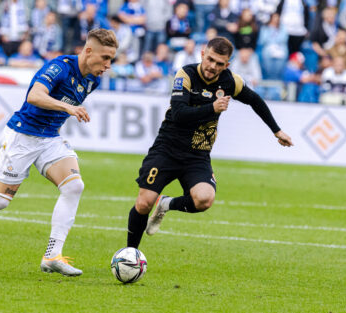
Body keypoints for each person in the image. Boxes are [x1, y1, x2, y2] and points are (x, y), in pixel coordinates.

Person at [0, 29, 118, 277]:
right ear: (88, 51)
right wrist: (68, 108)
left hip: (49, 138)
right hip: (23, 136)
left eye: (111, 59)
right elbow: (35, 96)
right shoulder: (60, 67)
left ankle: (52, 255)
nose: (108, 65)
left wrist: (65, 111)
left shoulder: (93, 79)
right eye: (105, 58)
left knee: (73, 187)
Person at [125, 36, 293, 249]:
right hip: (167, 150)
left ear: (227, 65)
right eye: (210, 59)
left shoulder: (230, 81)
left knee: (204, 199)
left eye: (219, 64)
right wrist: (212, 108)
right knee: (143, 203)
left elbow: (255, 100)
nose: (213, 67)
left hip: (197, 155)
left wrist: (276, 130)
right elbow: (178, 113)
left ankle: (166, 203)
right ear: (203, 54)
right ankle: (130, 254)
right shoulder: (186, 74)